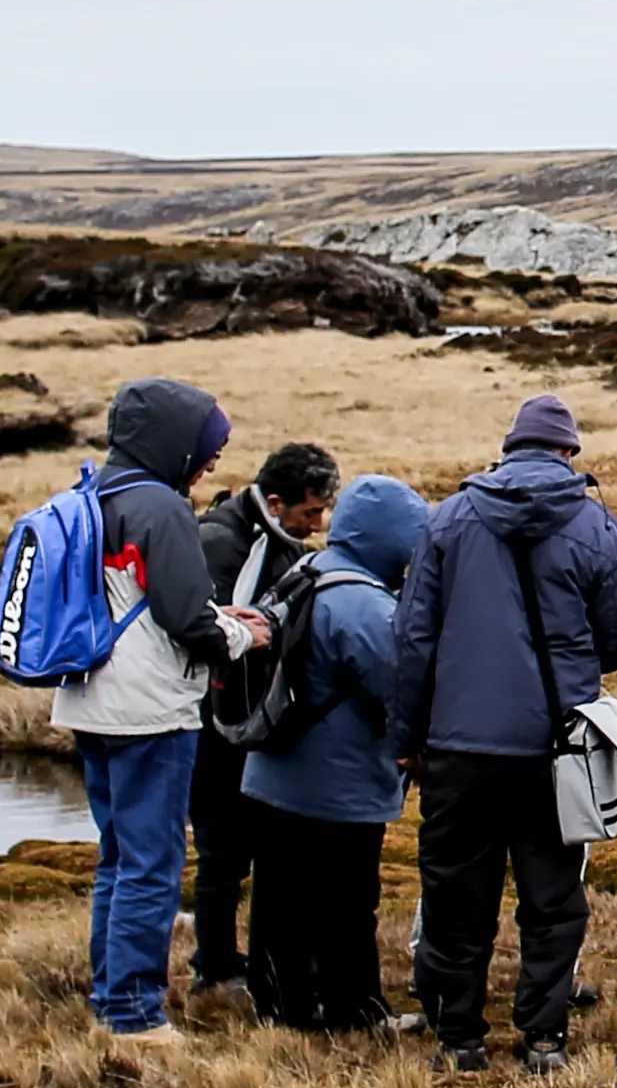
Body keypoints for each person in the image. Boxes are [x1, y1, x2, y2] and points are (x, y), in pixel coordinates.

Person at [386, 392, 617, 1076]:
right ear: (569, 453)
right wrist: (572, 660)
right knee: (553, 899)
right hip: (556, 747)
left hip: (458, 747)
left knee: (455, 896)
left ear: (508, 450)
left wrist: (406, 737)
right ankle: (544, 1038)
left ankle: (459, 1039)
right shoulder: (597, 526)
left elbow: (411, 640)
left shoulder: (448, 520)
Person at [53, 378, 270, 1047]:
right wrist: (241, 635)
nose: (210, 462)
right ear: (174, 442)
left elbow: (140, 600)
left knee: (118, 858)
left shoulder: (95, 495)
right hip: (148, 711)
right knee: (151, 863)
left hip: (91, 699)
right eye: (206, 448)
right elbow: (185, 620)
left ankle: (111, 995)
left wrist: (212, 617)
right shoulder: (162, 508)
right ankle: (134, 1014)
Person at [236, 472, 425, 1032]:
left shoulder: (306, 570)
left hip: (273, 768)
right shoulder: (364, 604)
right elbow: (400, 693)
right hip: (337, 783)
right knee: (347, 901)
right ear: (389, 539)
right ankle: (356, 1010)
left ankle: (278, 1001)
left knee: (278, 896)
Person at [188, 441, 338, 1015]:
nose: (318, 525)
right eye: (310, 512)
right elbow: (200, 631)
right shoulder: (221, 543)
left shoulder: (269, 539)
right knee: (222, 851)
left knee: (261, 849)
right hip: (217, 727)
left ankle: (260, 963)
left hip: (255, 722)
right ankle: (215, 966)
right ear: (276, 503)